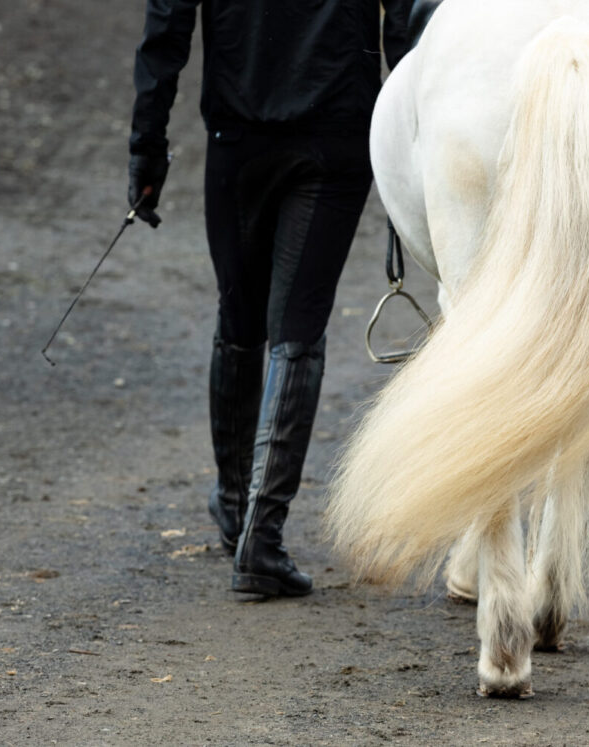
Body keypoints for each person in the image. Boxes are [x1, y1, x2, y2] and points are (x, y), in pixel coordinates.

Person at [127, 0, 413, 597]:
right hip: (336, 128)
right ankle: (260, 536)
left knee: (238, 320)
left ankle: (237, 508)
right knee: (297, 331)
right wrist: (408, 144)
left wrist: (147, 143)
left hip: (239, 131)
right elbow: (407, 18)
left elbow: (167, 21)